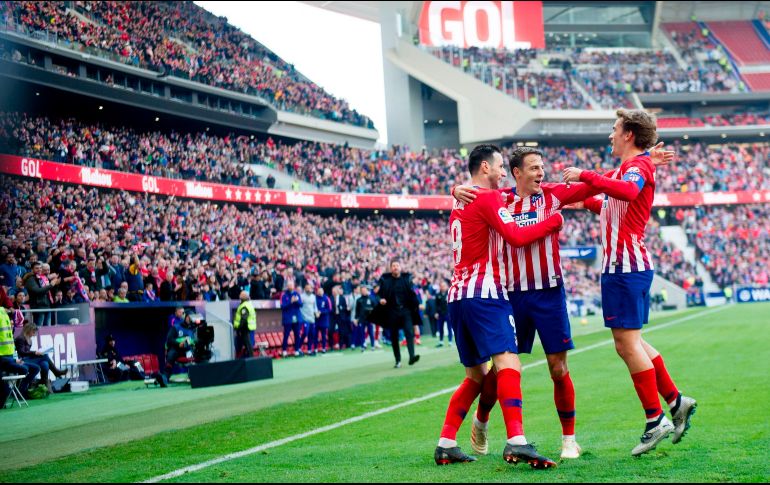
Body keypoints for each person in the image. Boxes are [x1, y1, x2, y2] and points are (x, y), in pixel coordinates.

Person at [453, 144, 674, 459]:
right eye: (533, 168)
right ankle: (482, 420)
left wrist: (641, 163)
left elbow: (595, 185)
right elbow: (468, 193)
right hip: (512, 295)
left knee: (558, 368)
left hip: (549, 294)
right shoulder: (499, 198)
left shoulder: (554, 195)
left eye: (542, 167)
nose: (541, 173)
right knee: (502, 367)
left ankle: (568, 440)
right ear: (516, 173)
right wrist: (455, 188)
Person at [562, 108, 696, 456]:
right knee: (634, 342)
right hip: (623, 266)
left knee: (625, 345)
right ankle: (675, 401)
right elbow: (611, 204)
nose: (610, 135)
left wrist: (586, 176)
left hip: (625, 267)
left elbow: (627, 192)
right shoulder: (630, 167)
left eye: (614, 129)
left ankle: (655, 420)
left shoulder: (635, 169)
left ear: (628, 135)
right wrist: (580, 198)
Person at [435, 144, 563, 468]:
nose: (503, 173)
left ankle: (446, 442)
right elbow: (517, 237)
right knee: (509, 364)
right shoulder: (488, 197)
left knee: (475, 376)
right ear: (484, 169)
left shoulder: (460, 198)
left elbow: (481, 198)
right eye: (499, 168)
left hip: (458, 295)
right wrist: (552, 222)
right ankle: (517, 440)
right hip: (486, 292)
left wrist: (454, 186)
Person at [377, 260, 421, 368]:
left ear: (400, 267)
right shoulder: (386, 280)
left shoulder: (406, 279)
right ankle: (398, 360)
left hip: (405, 310)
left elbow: (413, 292)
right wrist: (381, 299)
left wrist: (415, 303)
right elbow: (379, 294)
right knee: (394, 336)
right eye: (393, 266)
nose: (395, 267)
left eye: (397, 265)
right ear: (391, 268)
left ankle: (411, 356)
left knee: (409, 332)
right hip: (392, 311)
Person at [0, 295, 40, 405]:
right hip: (6, 358)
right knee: (26, 368)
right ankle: (20, 391)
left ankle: (21, 390)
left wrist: (14, 358)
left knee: (38, 365)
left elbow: (9, 345)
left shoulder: (4, 316)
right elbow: (14, 347)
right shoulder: (4, 315)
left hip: (8, 357)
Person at [14, 322, 66, 392]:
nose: (34, 334)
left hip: (28, 359)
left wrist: (35, 353)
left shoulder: (29, 339)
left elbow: (28, 352)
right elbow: (22, 352)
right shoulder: (20, 338)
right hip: (22, 360)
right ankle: (56, 372)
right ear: (28, 330)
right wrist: (35, 352)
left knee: (45, 364)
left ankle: (44, 386)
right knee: (44, 356)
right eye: (33, 332)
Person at [23, 262, 59, 327]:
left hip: (47, 306)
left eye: (40, 268)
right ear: (32, 269)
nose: (39, 270)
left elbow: (47, 291)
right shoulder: (30, 280)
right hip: (38, 308)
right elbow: (38, 291)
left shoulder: (42, 278)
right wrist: (51, 285)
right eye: (37, 268)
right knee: (38, 329)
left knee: (48, 329)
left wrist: (54, 286)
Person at [164, 311, 196, 380]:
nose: (190, 319)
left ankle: (193, 375)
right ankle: (166, 377)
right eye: (189, 317)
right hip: (176, 350)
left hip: (188, 351)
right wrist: (179, 344)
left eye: (192, 318)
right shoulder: (176, 327)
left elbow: (195, 341)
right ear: (185, 317)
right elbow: (169, 339)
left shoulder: (193, 329)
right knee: (171, 354)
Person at [280, 281, 302, 357]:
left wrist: (296, 301)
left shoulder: (297, 294)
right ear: (287, 286)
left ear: (294, 286)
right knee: (286, 335)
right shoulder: (284, 295)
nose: (290, 286)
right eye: (289, 285)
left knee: (297, 335)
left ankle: (296, 350)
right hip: (288, 319)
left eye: (292, 285)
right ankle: (284, 351)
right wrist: (290, 301)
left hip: (297, 318)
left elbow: (301, 304)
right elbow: (283, 306)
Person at [233, 291, 257, 359]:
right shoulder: (248, 304)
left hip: (245, 329)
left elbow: (243, 319)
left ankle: (250, 360)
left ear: (243, 297)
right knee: (247, 346)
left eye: (240, 294)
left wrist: (239, 328)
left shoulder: (244, 306)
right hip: (248, 328)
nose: (239, 295)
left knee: (247, 346)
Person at [298, 283, 320, 356]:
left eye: (310, 288)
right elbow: (299, 307)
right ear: (305, 289)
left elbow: (315, 307)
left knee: (311, 334)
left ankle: (309, 350)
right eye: (307, 288)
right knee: (305, 333)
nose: (308, 289)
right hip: (304, 318)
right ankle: (298, 348)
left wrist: (316, 312)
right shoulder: (301, 296)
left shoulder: (313, 297)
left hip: (312, 319)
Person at [353, 285, 376, 352]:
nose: (363, 292)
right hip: (361, 319)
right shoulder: (359, 300)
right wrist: (356, 318)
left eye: (364, 290)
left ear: (367, 291)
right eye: (362, 291)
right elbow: (357, 311)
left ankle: (372, 345)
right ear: (360, 292)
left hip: (369, 319)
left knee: (371, 332)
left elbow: (375, 308)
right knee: (361, 333)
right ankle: (362, 346)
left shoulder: (371, 298)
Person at [434, 281, 451, 348]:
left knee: (449, 328)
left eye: (444, 286)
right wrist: (436, 312)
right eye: (441, 286)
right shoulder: (438, 295)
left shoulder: (449, 293)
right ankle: (441, 341)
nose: (442, 287)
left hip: (448, 313)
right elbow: (436, 305)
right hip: (440, 314)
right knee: (440, 328)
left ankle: (450, 341)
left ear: (446, 286)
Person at [315, 287, 332, 353]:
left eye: (321, 291)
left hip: (324, 319)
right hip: (316, 319)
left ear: (323, 291)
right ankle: (315, 348)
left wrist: (321, 312)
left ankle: (324, 348)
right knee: (315, 335)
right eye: (318, 291)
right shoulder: (315, 298)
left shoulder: (326, 298)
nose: (320, 292)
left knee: (323, 335)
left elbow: (329, 309)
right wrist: (316, 312)